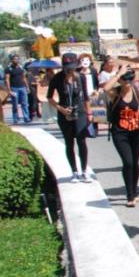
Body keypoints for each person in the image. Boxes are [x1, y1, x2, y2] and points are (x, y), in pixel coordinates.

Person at [47, 53, 91, 182]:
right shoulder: (56, 78)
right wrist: (61, 109)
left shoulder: (80, 78)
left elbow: (86, 97)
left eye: (72, 67)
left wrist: (89, 114)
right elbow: (49, 97)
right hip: (64, 113)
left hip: (80, 112)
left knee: (81, 141)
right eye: (67, 67)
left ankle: (84, 171)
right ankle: (74, 171)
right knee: (69, 143)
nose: (69, 70)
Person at [103, 66, 139, 207]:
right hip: (120, 133)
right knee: (128, 163)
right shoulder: (116, 92)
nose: (128, 81)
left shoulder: (136, 92)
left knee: (135, 164)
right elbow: (105, 89)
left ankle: (135, 190)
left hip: (136, 132)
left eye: (130, 78)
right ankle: (130, 195)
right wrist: (118, 73)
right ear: (119, 80)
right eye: (125, 79)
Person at [5, 54, 30, 124]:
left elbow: (24, 78)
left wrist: (27, 87)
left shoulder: (21, 68)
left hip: (22, 88)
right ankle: (15, 118)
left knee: (25, 103)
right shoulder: (8, 68)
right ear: (12, 60)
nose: (16, 60)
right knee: (15, 104)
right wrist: (9, 90)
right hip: (14, 88)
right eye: (15, 59)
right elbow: (7, 79)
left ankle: (26, 117)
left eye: (17, 59)